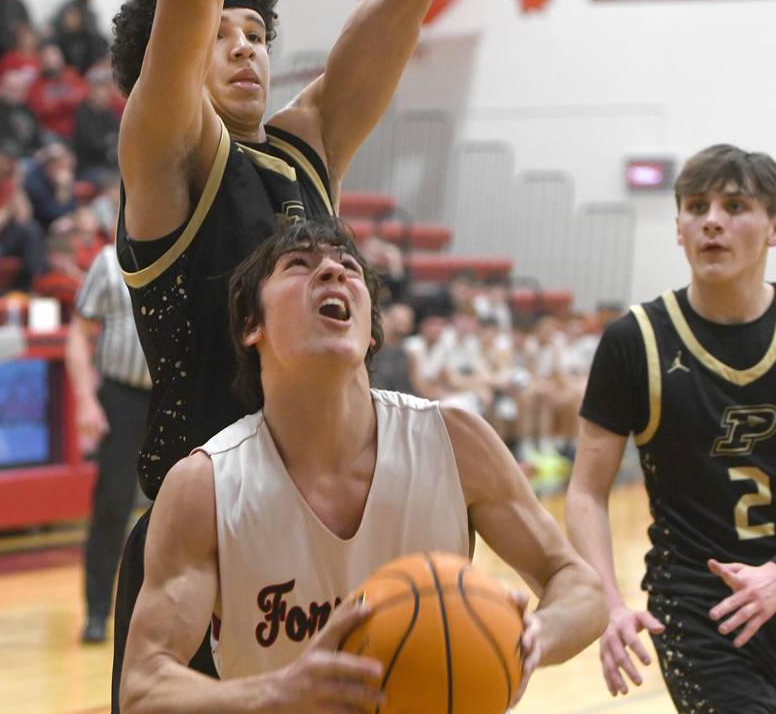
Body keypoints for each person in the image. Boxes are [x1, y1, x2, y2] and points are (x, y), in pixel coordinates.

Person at [110, 0, 456, 708]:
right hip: (205, 538)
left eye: (258, 35)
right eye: (219, 34)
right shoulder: (167, 154)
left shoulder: (309, 146)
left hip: (326, 533)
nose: (244, 50)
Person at [120, 218, 607, 713]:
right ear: (253, 325)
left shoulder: (456, 443)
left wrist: (533, 635)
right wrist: (280, 691)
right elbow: (144, 689)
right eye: (299, 265)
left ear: (371, 334)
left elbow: (579, 584)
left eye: (348, 266)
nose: (333, 270)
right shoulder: (205, 486)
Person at [566, 144, 776, 712]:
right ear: (679, 228)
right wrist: (609, 602)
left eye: (736, 206)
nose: (712, 219)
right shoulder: (634, 340)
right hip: (699, 611)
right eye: (696, 206)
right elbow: (586, 492)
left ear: (773, 227)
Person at [65, 244, 151, 644]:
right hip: (121, 397)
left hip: (172, 395)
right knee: (112, 505)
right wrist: (84, 400)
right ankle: (98, 611)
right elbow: (78, 335)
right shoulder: (106, 260)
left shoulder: (194, 246)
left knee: (182, 504)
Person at [0, 141, 45, 290]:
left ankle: (30, 288)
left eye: (12, 162)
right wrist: (9, 206)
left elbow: (25, 218)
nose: (9, 166)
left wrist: (18, 187)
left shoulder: (9, 182)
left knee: (31, 230)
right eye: (6, 160)